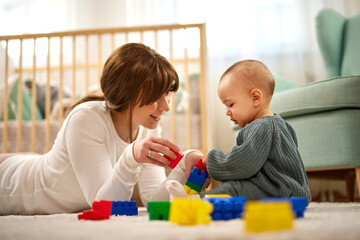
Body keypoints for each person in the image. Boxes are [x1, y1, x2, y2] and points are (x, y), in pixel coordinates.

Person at [0, 43, 202, 215]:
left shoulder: (147, 125)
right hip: (13, 187)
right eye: (156, 95)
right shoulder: (86, 118)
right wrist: (130, 157)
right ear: (128, 93)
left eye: (167, 92)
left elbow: (153, 202)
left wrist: (183, 167)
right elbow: (104, 207)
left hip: (33, 165)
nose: (166, 106)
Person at [167, 59, 311, 205]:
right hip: (290, 190)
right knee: (237, 187)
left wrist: (211, 159)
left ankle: (196, 201)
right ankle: (198, 198)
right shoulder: (282, 124)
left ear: (255, 98)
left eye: (231, 104)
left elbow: (242, 164)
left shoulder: (262, 127)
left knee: (233, 189)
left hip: (280, 192)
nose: (227, 112)